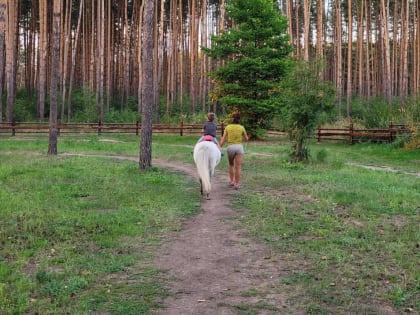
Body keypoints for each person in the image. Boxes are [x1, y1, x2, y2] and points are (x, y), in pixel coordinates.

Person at [219, 113, 249, 190]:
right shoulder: (241, 127)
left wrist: (219, 147)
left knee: (231, 165)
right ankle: (237, 184)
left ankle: (232, 181)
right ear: (239, 119)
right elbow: (246, 139)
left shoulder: (228, 127)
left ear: (232, 119)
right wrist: (241, 138)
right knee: (238, 166)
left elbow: (223, 138)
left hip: (230, 147)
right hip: (239, 147)